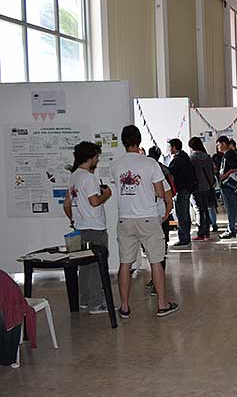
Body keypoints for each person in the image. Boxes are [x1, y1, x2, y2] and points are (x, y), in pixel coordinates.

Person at [110, 125, 179, 318]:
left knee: (125, 264)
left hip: (125, 219)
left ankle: (124, 307)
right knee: (156, 261)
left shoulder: (115, 165)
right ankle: (162, 304)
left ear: (123, 142)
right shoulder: (149, 163)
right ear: (139, 140)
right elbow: (159, 192)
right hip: (147, 218)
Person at [63, 142, 112, 315]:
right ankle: (96, 304)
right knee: (96, 267)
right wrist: (106, 194)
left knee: (83, 266)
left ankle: (84, 299)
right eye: (97, 157)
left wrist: (73, 219)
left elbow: (67, 204)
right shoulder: (88, 177)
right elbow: (94, 201)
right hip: (95, 228)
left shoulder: (74, 176)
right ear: (90, 157)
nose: (97, 160)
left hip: (81, 228)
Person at [146, 145, 174, 294]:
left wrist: (165, 217)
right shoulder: (163, 169)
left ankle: (157, 280)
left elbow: (168, 198)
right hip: (159, 218)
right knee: (158, 250)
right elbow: (170, 199)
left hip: (158, 218)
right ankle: (156, 279)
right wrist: (166, 216)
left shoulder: (156, 172)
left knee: (157, 251)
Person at [168, 138, 196, 247]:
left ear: (174, 147)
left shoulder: (178, 160)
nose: (169, 149)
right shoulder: (185, 157)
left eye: (170, 147)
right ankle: (186, 237)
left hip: (181, 189)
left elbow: (171, 173)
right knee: (185, 214)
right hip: (187, 189)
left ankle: (184, 238)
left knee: (181, 215)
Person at [188, 137, 214, 241]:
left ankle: (201, 232)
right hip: (207, 186)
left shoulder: (191, 159)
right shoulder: (207, 157)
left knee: (198, 210)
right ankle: (206, 232)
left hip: (196, 187)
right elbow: (211, 172)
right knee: (205, 210)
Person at [217, 136, 237, 239]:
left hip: (228, 183)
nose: (218, 147)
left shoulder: (229, 155)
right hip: (228, 183)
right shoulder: (229, 154)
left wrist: (225, 175)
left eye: (218, 145)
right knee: (234, 205)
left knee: (230, 206)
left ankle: (231, 229)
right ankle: (236, 226)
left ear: (223, 144)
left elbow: (235, 168)